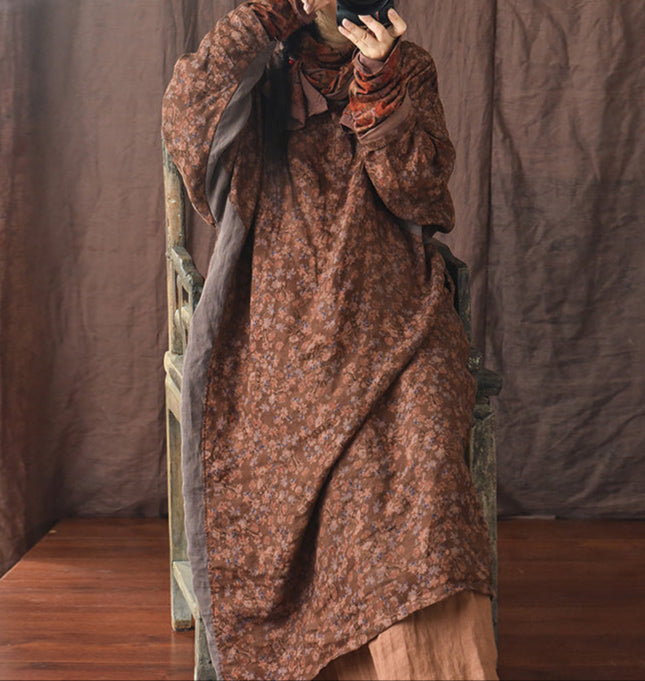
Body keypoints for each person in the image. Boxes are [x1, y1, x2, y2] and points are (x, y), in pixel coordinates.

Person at [161, 1, 499, 679]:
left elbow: (420, 190)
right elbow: (186, 114)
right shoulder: (258, 70)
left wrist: (378, 79)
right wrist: (268, 15)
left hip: (399, 312)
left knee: (424, 458)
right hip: (277, 311)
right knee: (311, 449)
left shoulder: (407, 67)